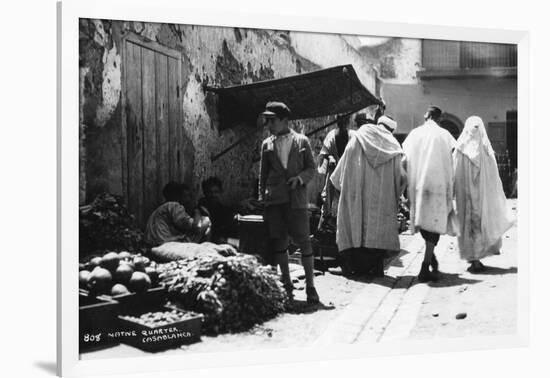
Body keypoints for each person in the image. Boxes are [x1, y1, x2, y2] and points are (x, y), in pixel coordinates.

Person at [330, 104, 406, 277]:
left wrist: (341, 188)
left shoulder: (358, 138)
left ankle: (350, 267)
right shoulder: (394, 147)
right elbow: (401, 180)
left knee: (354, 225)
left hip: (356, 194)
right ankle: (377, 267)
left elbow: (341, 170)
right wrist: (394, 196)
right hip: (381, 200)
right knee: (377, 230)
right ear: (391, 130)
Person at [258, 101, 319, 304]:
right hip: (275, 201)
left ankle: (311, 287)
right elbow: (263, 175)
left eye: (272, 120)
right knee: (279, 241)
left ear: (285, 121)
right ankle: (286, 283)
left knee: (304, 241)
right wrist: (262, 199)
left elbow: (312, 168)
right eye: (267, 121)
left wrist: (299, 179)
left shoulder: (301, 142)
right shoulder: (267, 144)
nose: (269, 124)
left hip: (297, 201)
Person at [402, 106, 457, 282]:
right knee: (434, 226)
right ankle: (425, 266)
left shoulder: (415, 134)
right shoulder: (444, 135)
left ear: (427, 117)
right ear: (438, 119)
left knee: (425, 224)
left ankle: (430, 257)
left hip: (419, 186)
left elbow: (404, 161)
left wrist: (407, 183)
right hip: (438, 187)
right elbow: (453, 160)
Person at [453, 116, 514, 273]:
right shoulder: (479, 149)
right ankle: (474, 259)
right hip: (472, 196)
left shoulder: (466, 148)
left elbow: (492, 176)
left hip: (473, 196)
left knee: (473, 225)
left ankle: (475, 258)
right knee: (474, 225)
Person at [145, 182, 211, 247]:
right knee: (206, 220)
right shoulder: (174, 205)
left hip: (154, 243)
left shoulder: (160, 209)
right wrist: (197, 211)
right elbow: (194, 226)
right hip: (165, 243)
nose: (189, 199)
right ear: (179, 196)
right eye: (187, 196)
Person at [317, 114, 355, 221]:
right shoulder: (331, 135)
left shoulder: (353, 136)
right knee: (328, 198)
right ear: (337, 121)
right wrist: (330, 157)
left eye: (345, 120)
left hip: (348, 174)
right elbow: (324, 152)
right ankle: (327, 222)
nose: (343, 123)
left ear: (348, 121)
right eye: (340, 121)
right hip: (334, 173)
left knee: (348, 201)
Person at [198, 176, 237, 243]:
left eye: (216, 192)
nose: (213, 195)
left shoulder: (223, 209)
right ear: (205, 193)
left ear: (220, 192)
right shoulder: (200, 209)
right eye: (210, 192)